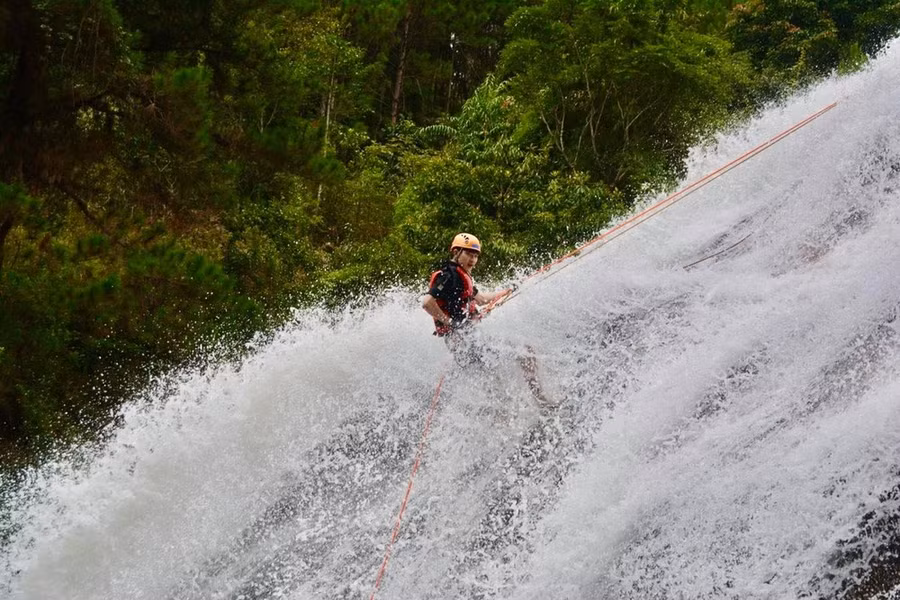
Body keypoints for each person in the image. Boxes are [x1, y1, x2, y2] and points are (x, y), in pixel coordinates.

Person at [422, 233, 553, 408]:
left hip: (466, 342)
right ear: (456, 251)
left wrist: (507, 291)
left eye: (476, 256)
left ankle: (509, 416)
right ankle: (542, 402)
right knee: (526, 352)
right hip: (463, 342)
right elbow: (427, 303)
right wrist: (452, 323)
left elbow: (482, 299)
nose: (473, 259)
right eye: (469, 254)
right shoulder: (448, 276)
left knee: (496, 386)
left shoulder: (462, 277)